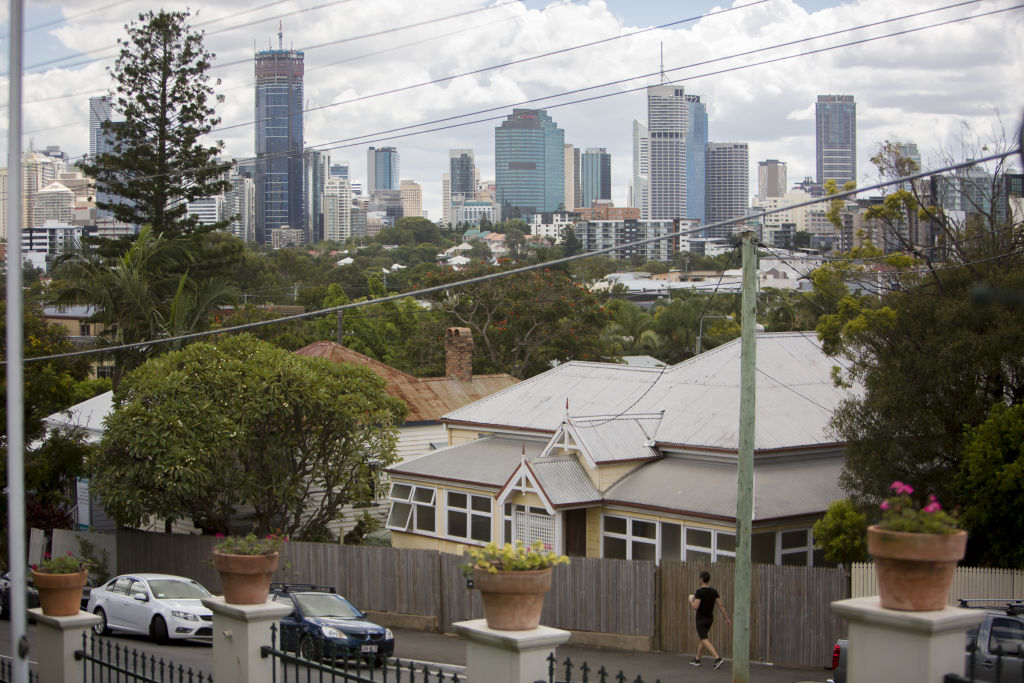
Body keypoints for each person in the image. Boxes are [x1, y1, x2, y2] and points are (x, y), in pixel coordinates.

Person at [687, 570, 731, 670]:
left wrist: (691, 600)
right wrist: (727, 618)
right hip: (709, 619)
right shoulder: (714, 591)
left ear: (701, 579)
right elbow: (721, 605)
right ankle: (697, 659)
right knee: (703, 638)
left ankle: (717, 658)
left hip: (701, 619)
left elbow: (695, 607)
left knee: (704, 639)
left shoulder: (699, 592)